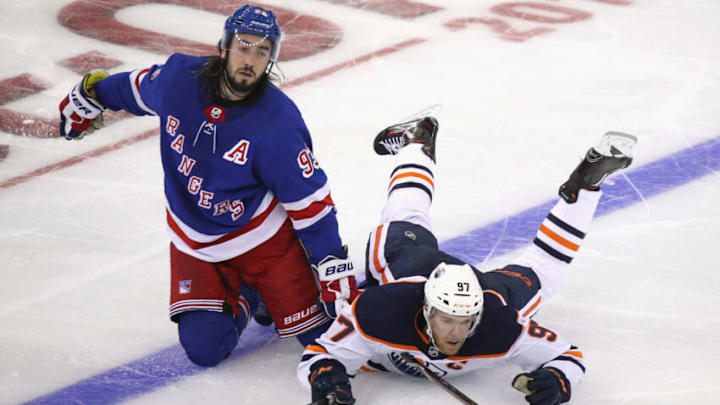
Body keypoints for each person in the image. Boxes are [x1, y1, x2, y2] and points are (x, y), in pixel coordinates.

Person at [57, 5, 359, 367]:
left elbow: (312, 206)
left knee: (325, 338)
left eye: (262, 52)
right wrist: (92, 94)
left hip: (267, 242)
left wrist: (331, 266)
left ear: (271, 59)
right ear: (224, 47)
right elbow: (134, 89)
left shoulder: (278, 122)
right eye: (244, 47)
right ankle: (250, 293)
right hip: (197, 242)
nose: (251, 59)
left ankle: (272, 283)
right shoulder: (179, 80)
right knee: (204, 350)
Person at [297, 115, 637, 404]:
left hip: (484, 285)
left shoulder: (496, 322)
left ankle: (586, 188)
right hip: (405, 262)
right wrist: (327, 378)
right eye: (447, 320)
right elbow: (319, 356)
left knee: (546, 271)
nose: (457, 332)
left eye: (465, 321)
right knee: (408, 216)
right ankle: (418, 140)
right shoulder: (380, 311)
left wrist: (558, 381)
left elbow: (568, 357)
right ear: (429, 310)